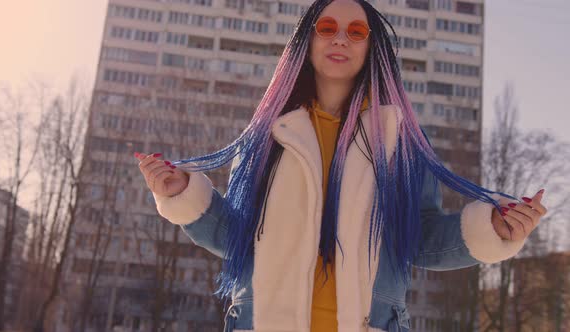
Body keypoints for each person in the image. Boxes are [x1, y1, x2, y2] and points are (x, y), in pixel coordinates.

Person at [134, 0, 547, 331]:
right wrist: (180, 194)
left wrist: (493, 231)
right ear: (307, 41)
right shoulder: (265, 139)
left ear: (372, 47)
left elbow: (418, 239)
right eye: (327, 28)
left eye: (356, 32)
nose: (341, 40)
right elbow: (238, 238)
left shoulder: (399, 146)